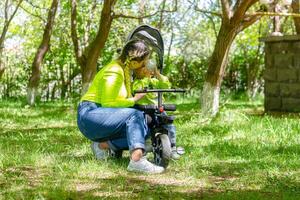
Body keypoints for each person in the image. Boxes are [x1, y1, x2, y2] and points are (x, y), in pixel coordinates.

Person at [77, 39, 164, 174]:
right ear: (134, 62)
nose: (145, 64)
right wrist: (134, 100)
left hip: (103, 117)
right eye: (144, 61)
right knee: (135, 115)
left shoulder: (124, 71)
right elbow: (109, 103)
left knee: (144, 127)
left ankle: (102, 145)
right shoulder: (114, 70)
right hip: (90, 115)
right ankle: (137, 161)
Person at [132, 64, 181, 160]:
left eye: (146, 69)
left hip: (158, 108)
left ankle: (173, 146)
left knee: (169, 123)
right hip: (145, 109)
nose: (145, 71)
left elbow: (166, 85)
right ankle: (146, 142)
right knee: (145, 124)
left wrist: (158, 74)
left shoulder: (155, 81)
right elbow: (137, 90)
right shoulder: (137, 82)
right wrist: (146, 78)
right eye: (142, 70)